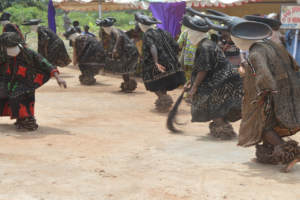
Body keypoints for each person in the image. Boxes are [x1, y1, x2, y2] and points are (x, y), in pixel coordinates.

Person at [197, 8, 300, 173]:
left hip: (270, 93)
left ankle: (291, 153)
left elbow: (265, 77)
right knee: (268, 123)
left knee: (264, 126)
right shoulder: (272, 45)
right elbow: (294, 65)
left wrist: (261, 97)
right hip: (285, 90)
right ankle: (268, 157)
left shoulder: (256, 53)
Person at [168, 14, 243, 140]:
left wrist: (195, 87)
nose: (189, 33)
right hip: (223, 79)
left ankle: (224, 132)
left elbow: (204, 69)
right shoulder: (205, 43)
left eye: (190, 31)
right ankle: (224, 127)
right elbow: (203, 69)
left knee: (210, 104)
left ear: (196, 32)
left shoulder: (205, 46)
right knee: (216, 104)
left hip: (224, 80)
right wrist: (192, 84)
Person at [0, 32, 67, 131]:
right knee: (3, 95)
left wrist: (58, 77)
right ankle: (21, 120)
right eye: (7, 47)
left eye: (12, 47)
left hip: (25, 81)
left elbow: (45, 63)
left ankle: (26, 121)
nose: (10, 50)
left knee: (17, 97)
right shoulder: (2, 52)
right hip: (7, 80)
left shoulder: (28, 52)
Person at [134, 12, 186, 112]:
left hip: (156, 62)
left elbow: (152, 46)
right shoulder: (164, 32)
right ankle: (163, 101)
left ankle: (164, 102)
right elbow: (175, 45)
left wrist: (156, 62)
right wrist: (171, 56)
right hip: (170, 61)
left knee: (152, 82)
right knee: (163, 82)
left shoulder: (147, 34)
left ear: (142, 26)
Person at [96, 17, 138, 93]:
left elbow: (120, 36)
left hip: (128, 51)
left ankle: (128, 86)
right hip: (124, 52)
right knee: (122, 68)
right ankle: (127, 85)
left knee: (123, 68)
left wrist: (115, 48)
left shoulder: (114, 30)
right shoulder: (113, 31)